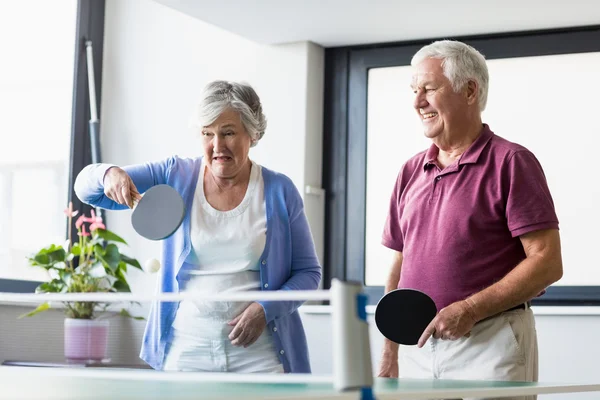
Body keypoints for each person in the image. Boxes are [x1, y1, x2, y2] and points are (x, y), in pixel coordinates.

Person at [75, 80, 321, 373]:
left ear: (252, 134)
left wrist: (265, 309)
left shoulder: (280, 190)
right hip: (187, 349)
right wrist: (108, 173)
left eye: (228, 132)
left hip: (260, 354)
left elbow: (308, 273)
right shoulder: (174, 174)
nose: (217, 146)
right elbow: (86, 188)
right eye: (207, 133)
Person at [377, 40, 563, 399]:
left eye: (429, 89)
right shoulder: (410, 171)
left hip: (490, 343)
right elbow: (401, 262)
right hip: (418, 349)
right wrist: (389, 350)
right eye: (414, 90)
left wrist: (468, 309)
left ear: (469, 90)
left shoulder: (512, 162)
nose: (417, 101)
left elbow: (547, 262)